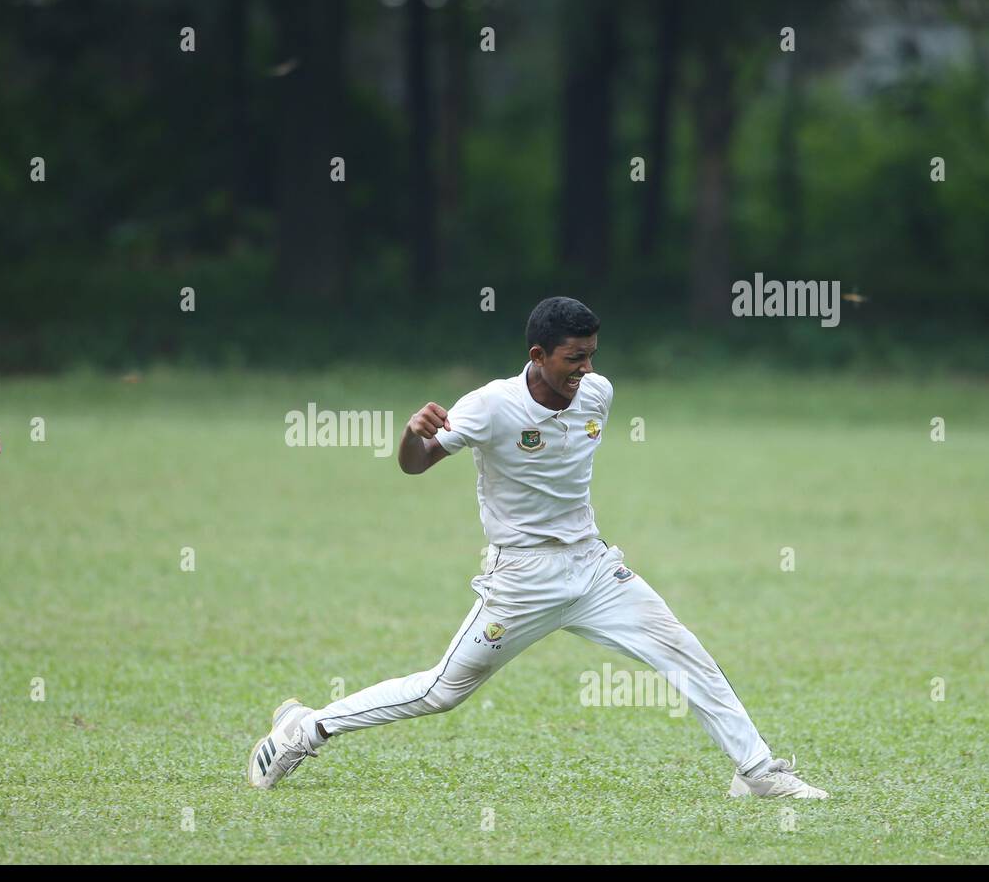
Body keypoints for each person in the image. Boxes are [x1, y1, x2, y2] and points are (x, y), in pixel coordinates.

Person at [248, 296, 828, 799]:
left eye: (591, 354)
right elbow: (415, 465)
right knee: (441, 691)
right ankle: (306, 728)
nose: (586, 368)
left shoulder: (598, 394)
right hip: (522, 580)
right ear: (537, 355)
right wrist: (411, 432)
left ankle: (756, 771)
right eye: (573, 357)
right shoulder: (490, 405)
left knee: (684, 651)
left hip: (595, 568)